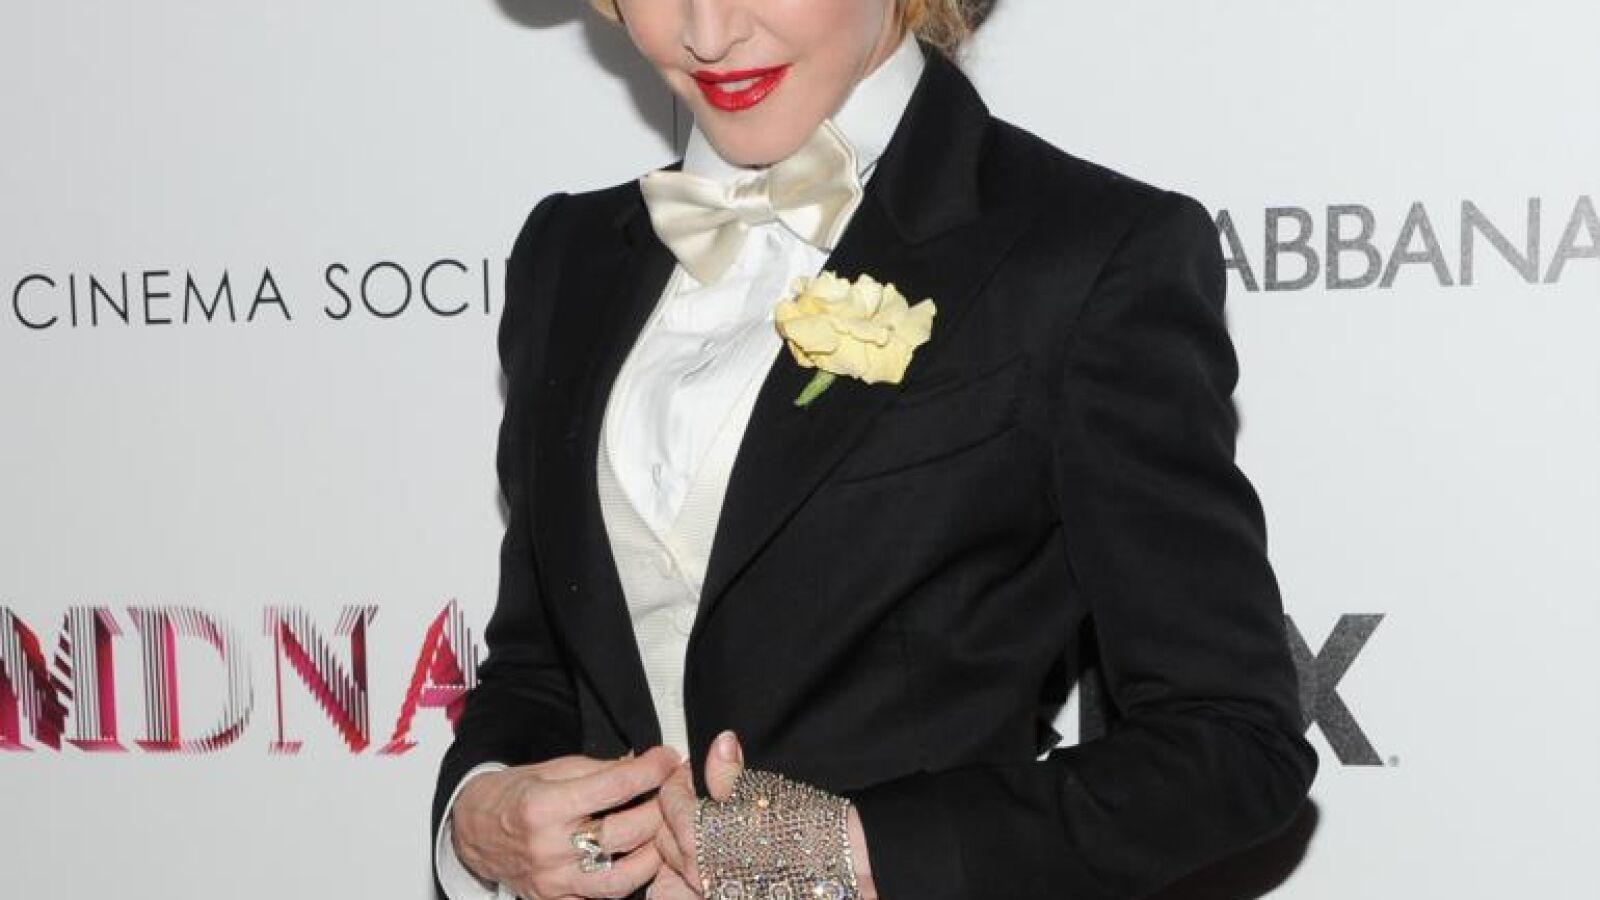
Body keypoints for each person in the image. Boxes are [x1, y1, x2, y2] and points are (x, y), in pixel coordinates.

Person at [431, 1, 1318, 898]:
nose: (707, 33)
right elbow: (539, 668)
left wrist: (859, 852)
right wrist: (478, 814)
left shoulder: (1085, 254)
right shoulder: (569, 256)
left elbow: (1232, 742)